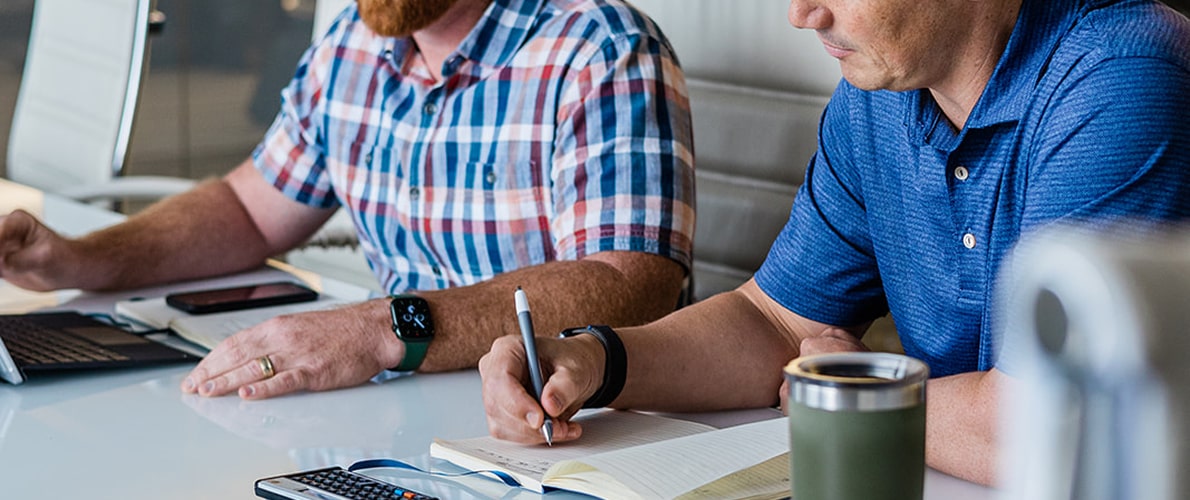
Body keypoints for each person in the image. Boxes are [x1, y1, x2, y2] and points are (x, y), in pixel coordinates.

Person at [478, 0, 1190, 486]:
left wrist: (846, 390)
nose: (802, 13)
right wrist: (594, 359)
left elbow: (1052, 424)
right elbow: (776, 321)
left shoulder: (1124, 77)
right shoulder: (875, 93)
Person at [0, 0, 694, 399]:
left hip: (558, 424)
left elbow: (630, 283)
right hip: (397, 410)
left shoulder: (602, 48)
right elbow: (248, 210)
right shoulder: (352, 48)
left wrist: (381, 330)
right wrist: (79, 260)